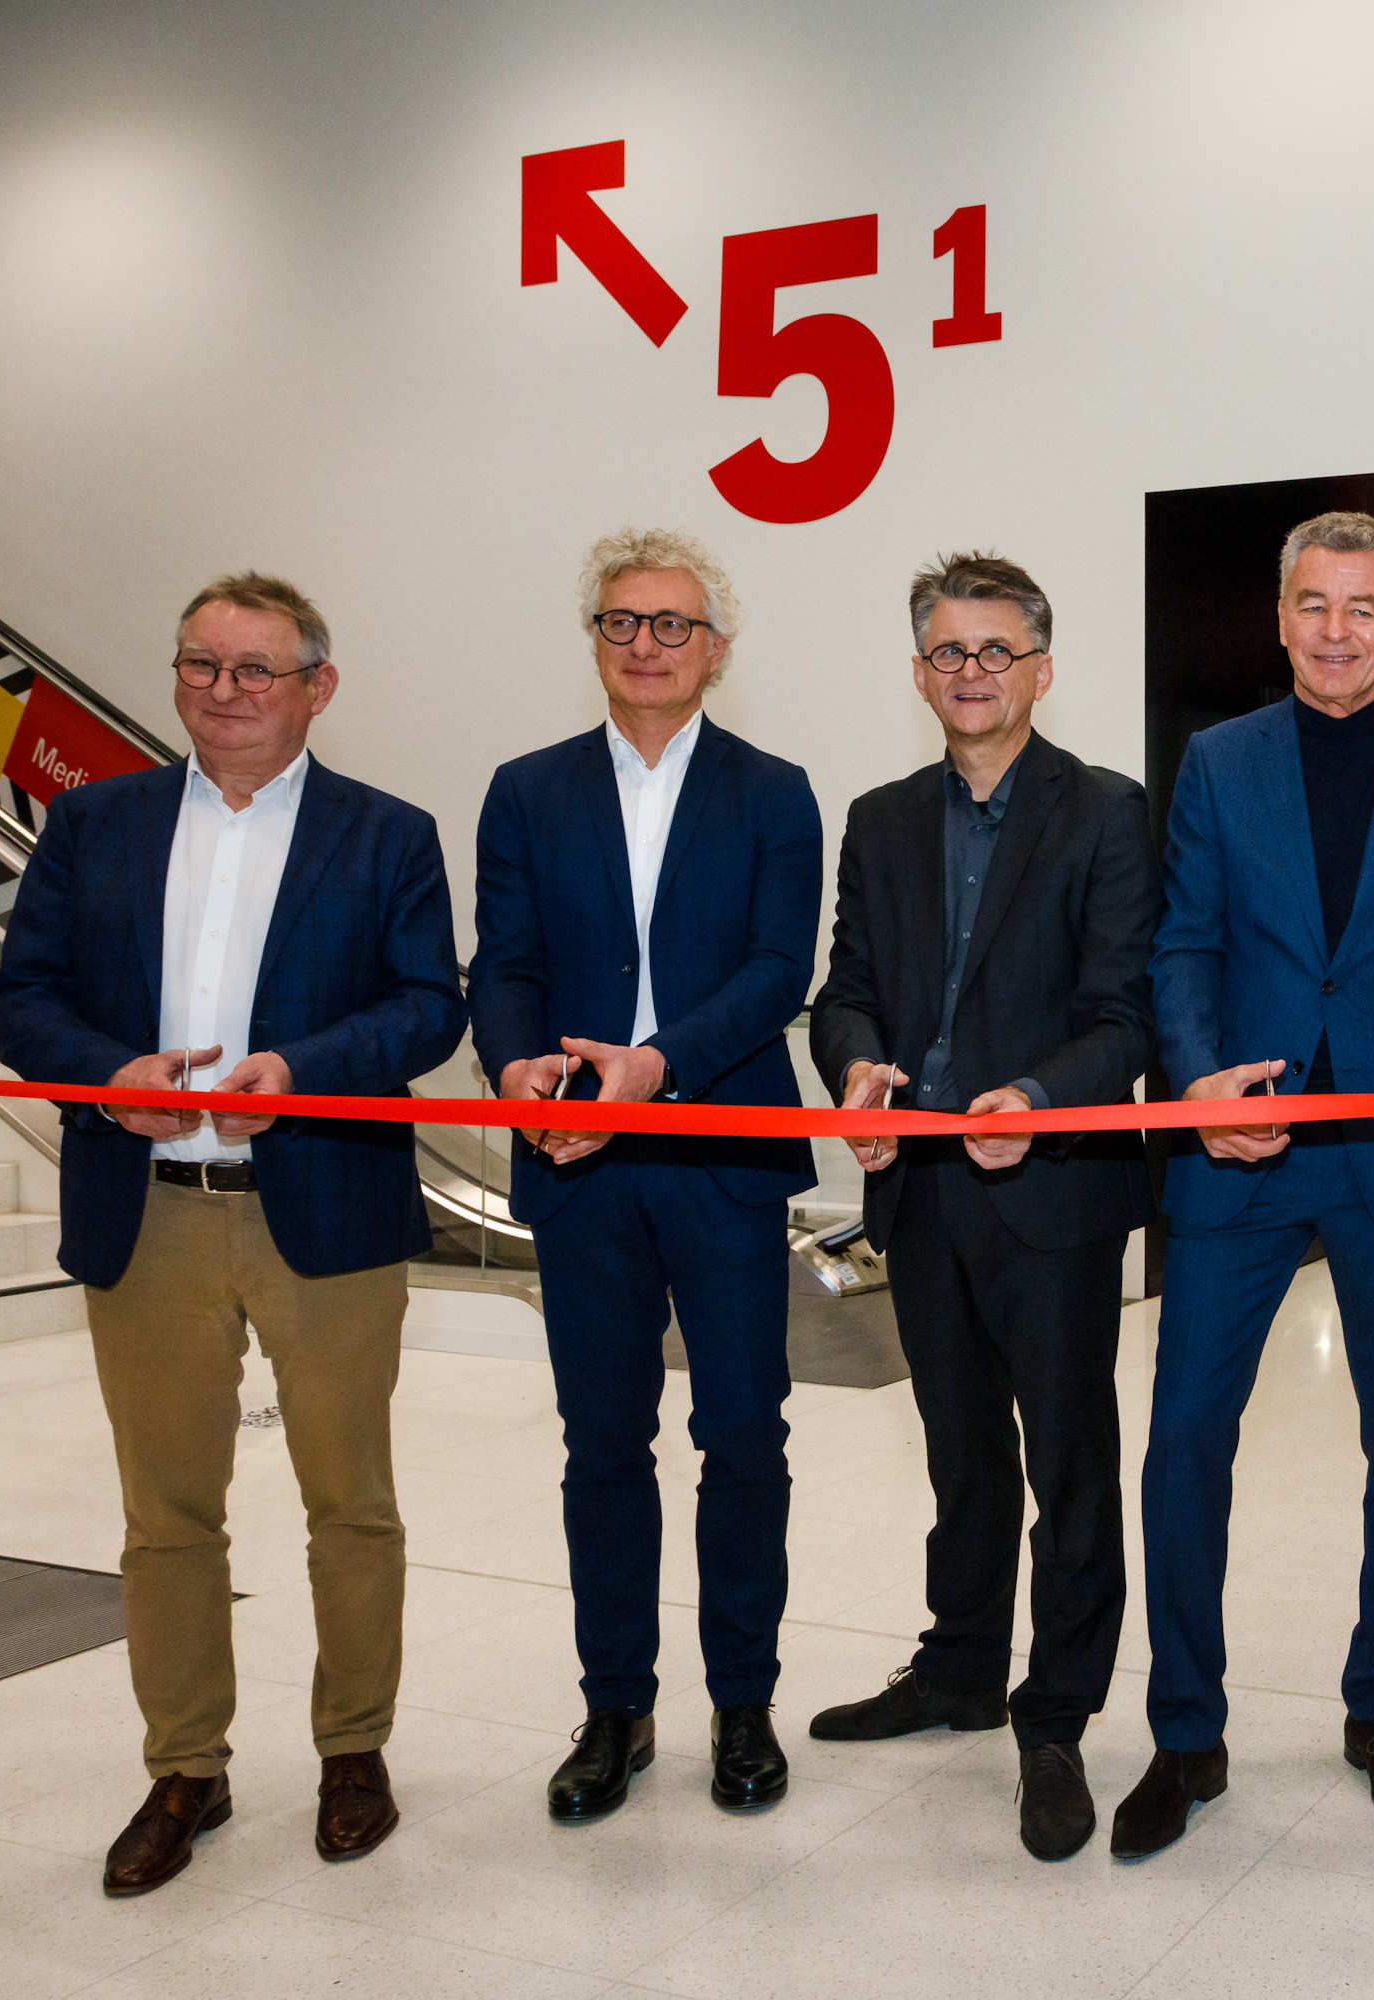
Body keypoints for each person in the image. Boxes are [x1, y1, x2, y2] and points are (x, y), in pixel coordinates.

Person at [0, 573, 465, 1896]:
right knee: (167, 1517)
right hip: (150, 1223)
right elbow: (18, 992)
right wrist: (103, 1074)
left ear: (319, 686)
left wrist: (298, 1070)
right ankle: (185, 1766)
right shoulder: (93, 825)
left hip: (327, 1212)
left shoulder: (387, 834)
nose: (226, 692)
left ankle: (352, 1750)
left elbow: (430, 1008)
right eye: (203, 665)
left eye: (258, 670)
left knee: (350, 1508)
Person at [1111, 511, 1374, 1859]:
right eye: (1314, 606)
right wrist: (1205, 1082)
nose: (1338, 631)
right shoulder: (1218, 764)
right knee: (1182, 1449)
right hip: (1244, 1154)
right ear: (1280, 621)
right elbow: (1185, 946)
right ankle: (1184, 1732)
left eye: (1363, 609)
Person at [468, 527, 824, 1824]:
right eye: (622, 621)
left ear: (716, 650)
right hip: (578, 1161)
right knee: (601, 1443)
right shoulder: (526, 790)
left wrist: (657, 1067)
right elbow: (501, 964)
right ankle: (616, 1705)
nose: (646, 644)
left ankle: (744, 1705)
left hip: (720, 1161)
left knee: (743, 1436)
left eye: (673, 624)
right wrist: (518, 1070)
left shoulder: (774, 791)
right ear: (596, 641)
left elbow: (780, 971)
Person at [805, 553, 1157, 1860]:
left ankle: (1055, 1710)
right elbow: (843, 986)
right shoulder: (880, 818)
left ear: (1040, 670)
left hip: (1052, 1189)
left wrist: (1030, 1095)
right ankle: (957, 1665)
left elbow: (1124, 1013)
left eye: (995, 651)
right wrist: (854, 1064)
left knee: (1069, 1460)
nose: (971, 671)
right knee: (961, 1455)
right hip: (927, 1195)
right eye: (948, 652)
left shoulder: (1106, 812)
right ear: (918, 672)